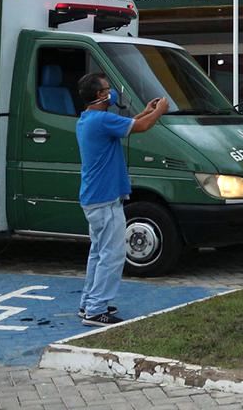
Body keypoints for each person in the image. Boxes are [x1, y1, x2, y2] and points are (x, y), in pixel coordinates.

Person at [75, 73, 168, 326]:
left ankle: (89, 303)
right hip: (105, 200)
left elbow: (128, 124)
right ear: (100, 95)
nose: (112, 92)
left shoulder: (90, 120)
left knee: (98, 253)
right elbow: (142, 127)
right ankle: (96, 310)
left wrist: (145, 111)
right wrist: (160, 110)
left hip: (95, 199)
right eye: (108, 89)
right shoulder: (102, 120)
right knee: (113, 255)